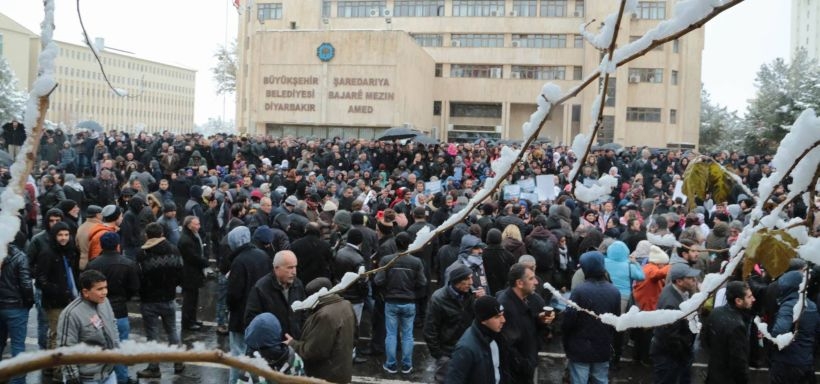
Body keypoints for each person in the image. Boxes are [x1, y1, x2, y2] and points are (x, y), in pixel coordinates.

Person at [86, 232, 140, 384]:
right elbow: (134, 287)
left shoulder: (93, 264)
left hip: (98, 311)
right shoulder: (127, 263)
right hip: (120, 310)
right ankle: (121, 378)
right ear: (117, 245)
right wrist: (124, 298)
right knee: (120, 345)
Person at [562, 251, 621, 383]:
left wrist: (566, 339)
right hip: (603, 346)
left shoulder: (579, 291)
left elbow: (568, 321)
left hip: (580, 347)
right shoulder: (614, 291)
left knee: (579, 380)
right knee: (600, 379)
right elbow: (616, 322)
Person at [135, 223, 185, 379]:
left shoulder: (142, 253)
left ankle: (154, 367)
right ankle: (178, 362)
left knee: (152, 335)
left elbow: (139, 277)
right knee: (172, 331)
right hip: (168, 298)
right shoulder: (174, 249)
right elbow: (180, 272)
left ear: (147, 236)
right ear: (162, 234)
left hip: (149, 299)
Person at [374, 232, 426, 374]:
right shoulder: (416, 262)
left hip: (391, 301)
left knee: (391, 334)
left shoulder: (387, 260)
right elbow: (423, 282)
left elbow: (378, 280)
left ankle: (391, 364)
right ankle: (406, 365)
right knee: (408, 335)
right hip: (409, 301)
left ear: (395, 244)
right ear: (409, 244)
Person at [286, 277, 356, 383]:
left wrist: (292, 343)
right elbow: (355, 337)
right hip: (342, 372)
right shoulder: (347, 305)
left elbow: (314, 351)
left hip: (326, 376)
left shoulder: (324, 315)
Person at [225, 226, 271, 384]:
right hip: (260, 313)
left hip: (240, 315)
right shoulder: (263, 256)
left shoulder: (238, 261)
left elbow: (233, 294)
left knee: (238, 354)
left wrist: (230, 309)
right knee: (257, 355)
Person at [57, 270, 119, 384]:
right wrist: (72, 378)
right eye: (99, 289)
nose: (105, 292)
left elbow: (113, 325)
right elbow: (65, 348)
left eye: (105, 287)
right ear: (86, 292)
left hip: (109, 374)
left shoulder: (105, 302)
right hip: (87, 379)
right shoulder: (71, 314)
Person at [496, 263, 555, 383]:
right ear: (519, 283)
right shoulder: (506, 306)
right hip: (515, 375)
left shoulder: (527, 299)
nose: (536, 282)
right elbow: (508, 345)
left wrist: (540, 320)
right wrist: (525, 365)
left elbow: (527, 328)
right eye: (531, 278)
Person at [424, 265, 477, 383]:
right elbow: (430, 330)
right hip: (447, 354)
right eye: (468, 279)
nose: (471, 282)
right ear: (458, 281)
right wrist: (439, 355)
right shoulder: (438, 299)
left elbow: (477, 319)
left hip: (467, 350)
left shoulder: (471, 294)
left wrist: (480, 300)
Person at [651, 263, 700, 384]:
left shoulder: (675, 290)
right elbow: (671, 338)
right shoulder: (671, 303)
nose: (695, 280)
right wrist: (684, 355)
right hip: (669, 356)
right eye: (690, 278)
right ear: (679, 281)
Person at [769, 270, 820, 384]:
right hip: (805, 362)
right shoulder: (811, 305)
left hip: (786, 364)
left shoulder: (788, 306)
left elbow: (778, 332)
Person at [244, 250, 306, 339]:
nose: (294, 272)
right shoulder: (261, 288)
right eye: (289, 268)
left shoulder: (297, 284)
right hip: (273, 345)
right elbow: (251, 320)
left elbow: (304, 312)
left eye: (295, 267)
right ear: (276, 268)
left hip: (295, 343)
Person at [700, 281, 754, 384]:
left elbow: (705, 340)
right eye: (749, 297)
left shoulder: (715, 312)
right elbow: (739, 362)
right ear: (738, 301)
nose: (753, 299)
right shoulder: (738, 326)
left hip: (713, 374)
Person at [445, 295, 506, 384]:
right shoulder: (466, 348)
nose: (503, 320)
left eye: (502, 315)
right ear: (484, 320)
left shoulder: (494, 335)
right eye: (497, 317)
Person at [0, 232, 34, 384]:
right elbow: (26, 284)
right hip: (16, 307)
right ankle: (18, 380)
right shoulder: (20, 257)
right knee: (18, 345)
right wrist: (28, 302)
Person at [178, 215, 209, 331]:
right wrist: (204, 262)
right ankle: (187, 323)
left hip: (193, 273)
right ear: (189, 225)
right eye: (196, 224)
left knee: (194, 298)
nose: (198, 226)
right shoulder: (186, 239)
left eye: (199, 224)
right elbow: (192, 257)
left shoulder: (192, 235)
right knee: (189, 300)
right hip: (189, 273)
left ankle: (192, 319)